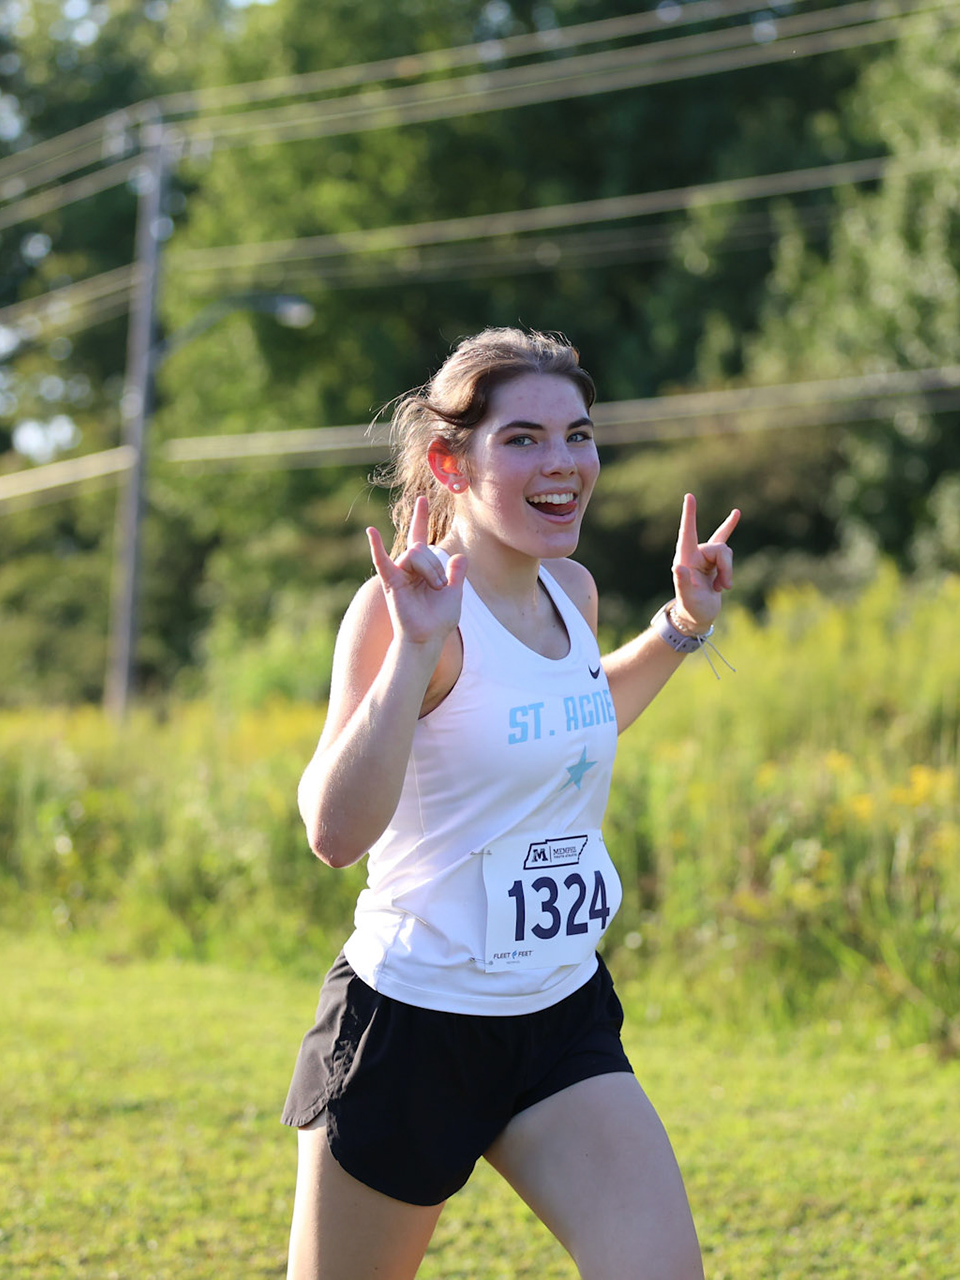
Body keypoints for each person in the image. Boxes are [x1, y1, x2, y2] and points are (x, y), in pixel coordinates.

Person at [282, 328, 736, 1280]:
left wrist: (682, 624)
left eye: (578, 434)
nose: (562, 462)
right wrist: (415, 651)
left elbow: (572, 716)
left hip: (558, 1013)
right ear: (452, 463)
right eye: (523, 439)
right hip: (413, 1025)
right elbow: (333, 831)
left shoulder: (572, 590)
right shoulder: (402, 610)